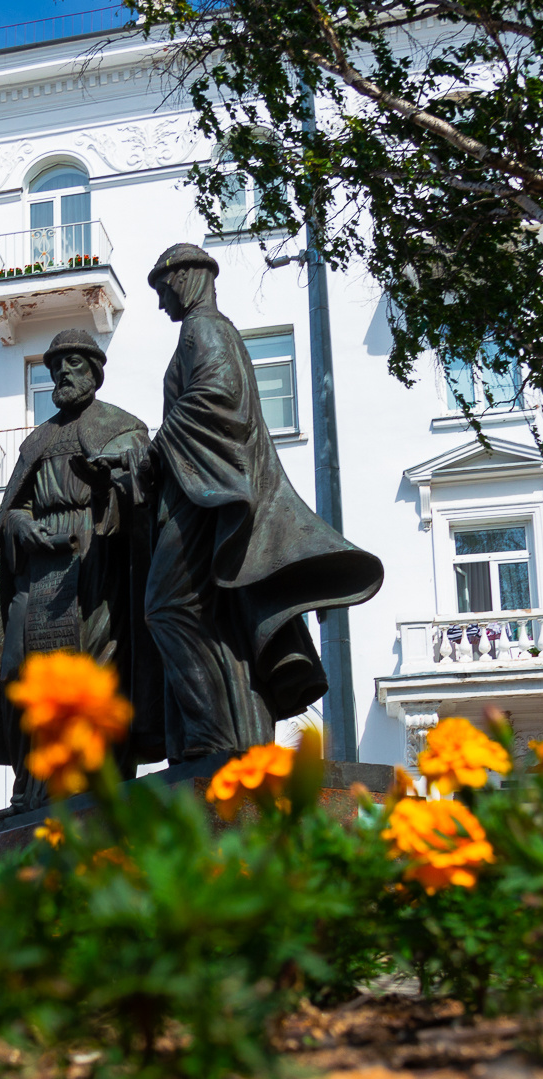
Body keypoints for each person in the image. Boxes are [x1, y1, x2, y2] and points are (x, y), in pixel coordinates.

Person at [141, 243, 383, 759]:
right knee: (220, 619)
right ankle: (238, 737)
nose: (162, 303)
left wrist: (157, 447)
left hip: (206, 497)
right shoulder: (212, 330)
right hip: (207, 488)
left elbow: (218, 396)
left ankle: (212, 734)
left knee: (167, 608)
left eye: (163, 289)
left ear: (186, 277)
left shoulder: (203, 329)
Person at [0, 327, 165, 816]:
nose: (62, 372)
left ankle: (92, 782)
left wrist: (113, 491)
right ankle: (31, 787)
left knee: (93, 674)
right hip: (37, 573)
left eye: (74, 364)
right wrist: (21, 524)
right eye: (55, 365)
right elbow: (13, 509)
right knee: (16, 672)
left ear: (95, 372)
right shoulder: (37, 440)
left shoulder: (123, 427)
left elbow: (144, 500)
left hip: (96, 566)